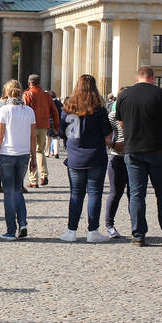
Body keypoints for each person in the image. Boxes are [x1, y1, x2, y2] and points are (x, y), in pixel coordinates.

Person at [115, 65, 162, 247]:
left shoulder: (124, 95)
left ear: (138, 77)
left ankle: (138, 235)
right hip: (158, 148)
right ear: (153, 77)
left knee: (136, 194)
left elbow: (121, 121)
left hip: (133, 149)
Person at [58, 74, 113, 243]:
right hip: (95, 155)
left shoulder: (67, 108)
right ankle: (93, 231)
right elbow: (107, 133)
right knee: (94, 194)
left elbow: (61, 133)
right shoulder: (99, 109)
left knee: (76, 194)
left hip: (75, 156)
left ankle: (71, 230)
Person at [0, 79, 34, 240]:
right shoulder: (29, 111)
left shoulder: (4, 110)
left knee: (9, 193)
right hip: (23, 154)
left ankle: (10, 230)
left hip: (7, 153)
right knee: (17, 190)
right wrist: (34, 158)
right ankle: (23, 223)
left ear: (7, 92)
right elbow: (32, 137)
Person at [102, 87, 129, 239]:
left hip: (134, 157)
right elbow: (105, 135)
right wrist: (112, 145)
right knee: (115, 193)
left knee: (135, 195)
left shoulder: (137, 113)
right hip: (118, 156)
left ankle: (136, 225)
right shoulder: (112, 115)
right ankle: (109, 224)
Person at [23, 74, 59, 188]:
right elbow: (55, 111)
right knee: (40, 151)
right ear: (39, 83)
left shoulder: (27, 94)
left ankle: (33, 180)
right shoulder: (46, 95)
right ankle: (44, 175)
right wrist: (56, 126)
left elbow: (24, 110)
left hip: (30, 126)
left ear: (29, 83)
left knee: (31, 152)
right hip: (43, 126)